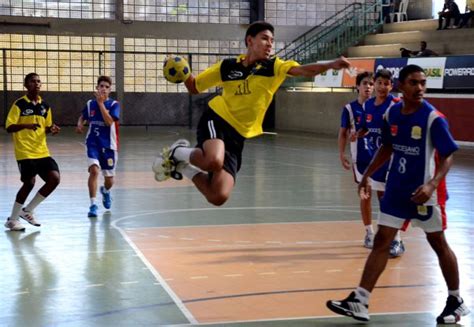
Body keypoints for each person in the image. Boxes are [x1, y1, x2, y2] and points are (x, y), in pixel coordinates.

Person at [326, 65, 471, 324]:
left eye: (423, 83)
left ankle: (456, 300)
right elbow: (387, 147)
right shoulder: (392, 113)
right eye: (414, 83)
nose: (420, 88)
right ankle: (360, 300)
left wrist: (432, 185)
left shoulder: (432, 118)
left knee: (438, 243)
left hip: (424, 193)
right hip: (396, 189)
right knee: (382, 241)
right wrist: (367, 175)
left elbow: (448, 155)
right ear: (401, 87)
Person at [152, 21, 351, 206]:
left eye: (272, 40)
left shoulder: (274, 67)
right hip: (217, 119)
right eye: (265, 38)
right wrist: (184, 72)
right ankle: (177, 152)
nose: (270, 44)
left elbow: (304, 71)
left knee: (218, 195)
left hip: (238, 136)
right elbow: (195, 86)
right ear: (250, 40)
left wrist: (329, 65)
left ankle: (180, 166)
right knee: (213, 161)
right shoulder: (227, 67)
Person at [4, 73, 61, 231]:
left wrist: (52, 129)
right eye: (32, 81)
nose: (36, 84)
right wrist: (26, 125)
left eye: (38, 81)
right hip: (25, 151)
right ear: (26, 85)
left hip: (42, 151)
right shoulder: (19, 104)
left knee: (54, 179)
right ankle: (13, 220)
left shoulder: (45, 106)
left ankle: (27, 211)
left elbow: (46, 127)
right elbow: (9, 127)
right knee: (29, 183)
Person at [361, 68, 405, 257]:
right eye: (379, 82)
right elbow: (366, 127)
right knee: (382, 200)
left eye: (386, 83)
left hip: (394, 161)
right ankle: (386, 238)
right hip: (378, 160)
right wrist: (359, 133)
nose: (382, 86)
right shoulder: (369, 105)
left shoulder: (395, 105)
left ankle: (397, 241)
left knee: (391, 201)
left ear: (391, 85)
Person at [338, 72, 376, 248]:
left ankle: (393, 235)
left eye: (371, 84)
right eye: (365, 83)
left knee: (385, 196)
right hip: (360, 159)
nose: (368, 86)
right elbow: (343, 132)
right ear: (358, 87)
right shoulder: (349, 109)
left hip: (380, 158)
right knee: (366, 195)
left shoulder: (380, 107)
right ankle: (369, 233)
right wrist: (342, 154)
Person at [76, 76, 120, 218]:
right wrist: (80, 123)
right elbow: (83, 116)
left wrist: (101, 104)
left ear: (110, 90)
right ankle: (93, 205)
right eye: (101, 86)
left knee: (109, 179)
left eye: (107, 87)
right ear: (97, 88)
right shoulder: (90, 104)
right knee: (94, 171)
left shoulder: (114, 105)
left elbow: (108, 122)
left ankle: (106, 191)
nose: (104, 89)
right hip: (92, 143)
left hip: (109, 146)